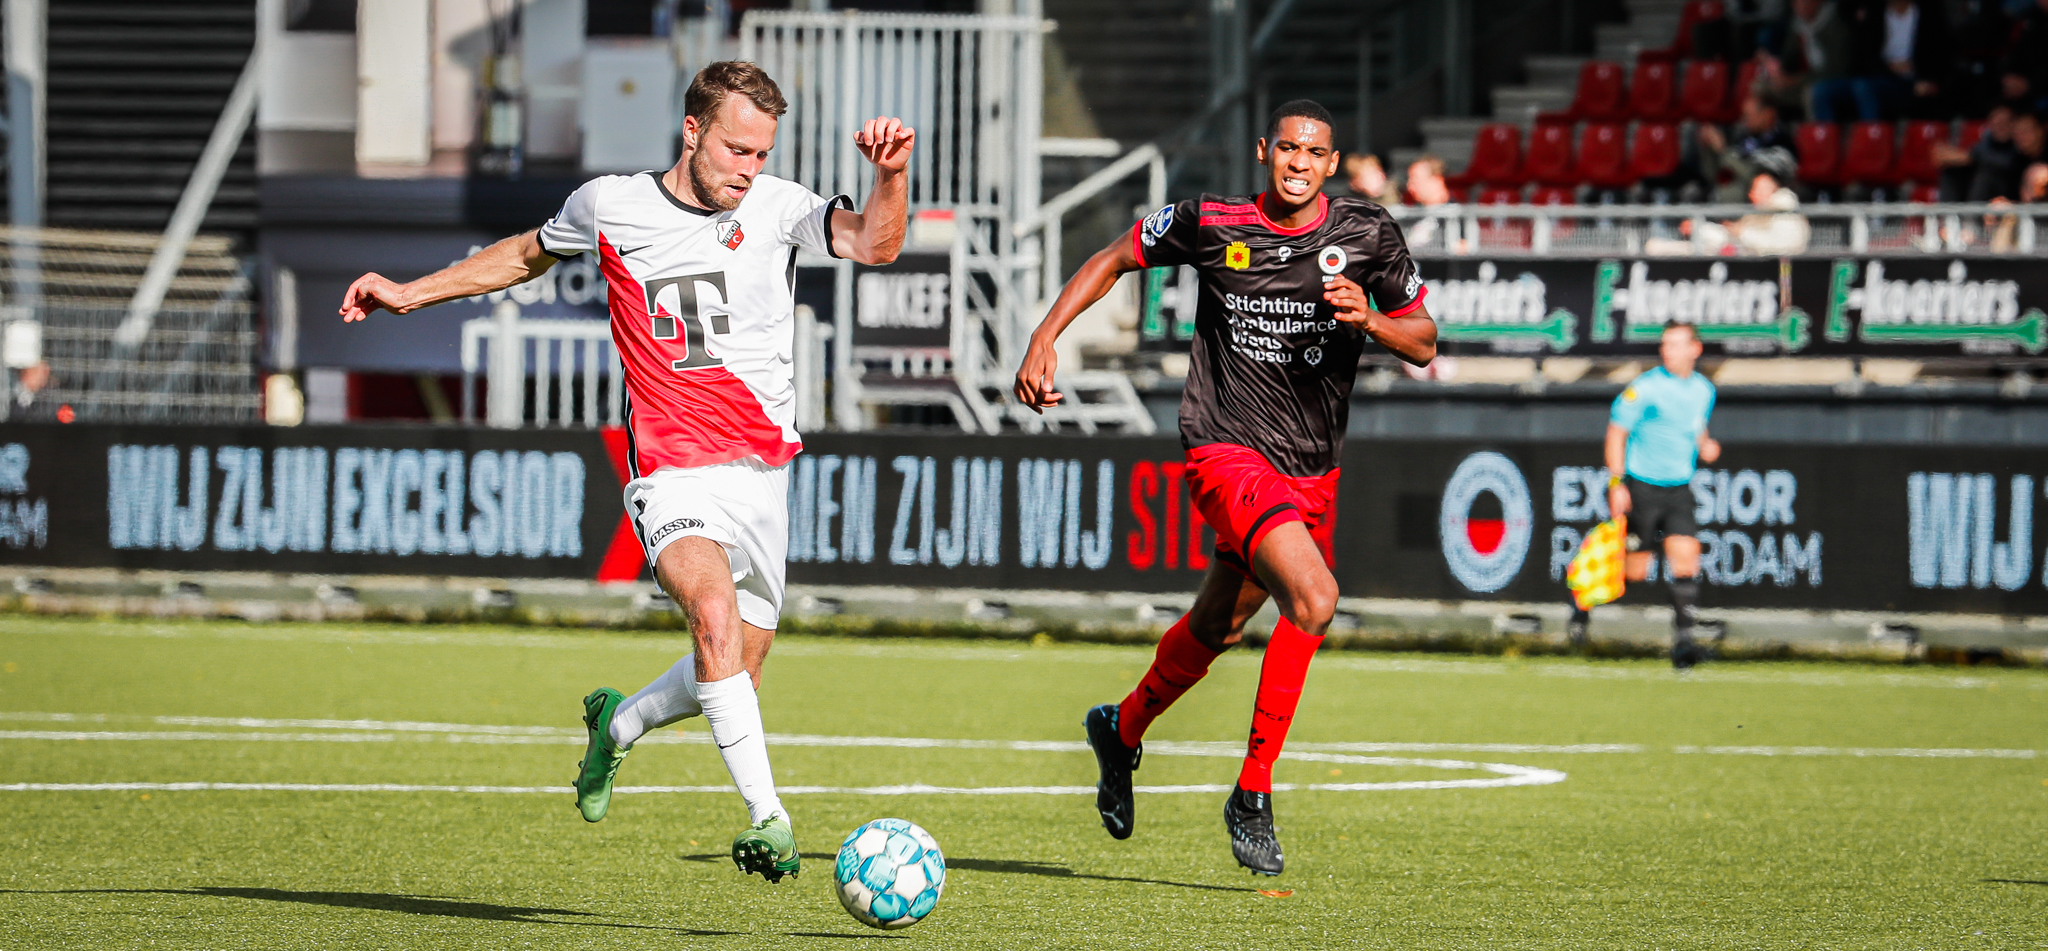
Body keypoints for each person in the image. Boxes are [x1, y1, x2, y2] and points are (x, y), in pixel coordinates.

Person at [335, 61, 914, 883]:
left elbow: (877, 243)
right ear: (692, 130)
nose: (748, 169)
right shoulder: (610, 204)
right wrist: (409, 293)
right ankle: (771, 819)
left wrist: (888, 175)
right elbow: (521, 257)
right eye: (735, 150)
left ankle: (617, 724)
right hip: (670, 467)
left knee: (734, 672)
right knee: (711, 615)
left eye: (761, 153)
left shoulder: (780, 206)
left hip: (761, 472)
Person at [1014, 99, 1436, 876]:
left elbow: (1425, 338)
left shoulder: (1367, 234)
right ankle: (1252, 793)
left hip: (1313, 470)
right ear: (1264, 152)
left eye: (1314, 153)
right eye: (1286, 149)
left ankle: (1122, 726)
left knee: (1219, 624)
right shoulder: (1212, 221)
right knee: (1313, 597)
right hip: (1226, 450)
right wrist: (1045, 337)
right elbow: (1111, 258)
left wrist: (1371, 322)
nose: (1299, 163)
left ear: (1331, 163)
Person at [1566, 322, 1721, 670]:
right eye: (1665, 344)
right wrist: (1617, 483)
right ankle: (1581, 602)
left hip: (1679, 487)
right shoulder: (1644, 389)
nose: (1668, 351)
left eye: (1676, 344)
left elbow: (1695, 427)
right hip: (1643, 486)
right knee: (1635, 572)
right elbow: (1616, 433)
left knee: (1686, 558)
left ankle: (1684, 644)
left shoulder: (1703, 390)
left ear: (1694, 349)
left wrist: (1704, 445)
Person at [1694, 96, 1799, 202]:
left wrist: (1723, 150)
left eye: (1749, 115)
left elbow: (1756, 176)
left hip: (1765, 207)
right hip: (1731, 205)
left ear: (1768, 114)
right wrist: (1709, 151)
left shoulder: (1783, 143)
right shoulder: (1742, 138)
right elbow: (1717, 175)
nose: (1744, 120)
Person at [1684, 171, 1811, 254]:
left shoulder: (1786, 209)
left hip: (1787, 274)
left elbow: (1783, 248)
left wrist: (1744, 233)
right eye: (1756, 190)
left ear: (1775, 190)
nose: (1757, 194)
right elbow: (1728, 237)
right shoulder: (1755, 215)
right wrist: (1698, 228)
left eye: (1764, 189)